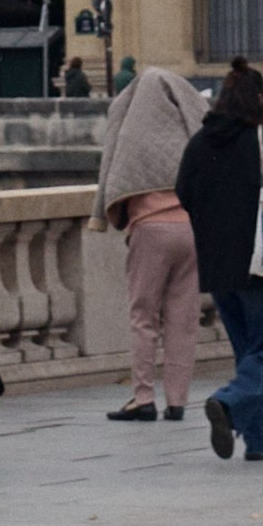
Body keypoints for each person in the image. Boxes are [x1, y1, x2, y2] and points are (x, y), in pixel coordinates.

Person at [175, 58, 263, 463]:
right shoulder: (262, 139)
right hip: (259, 261)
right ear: (259, 98)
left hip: (218, 265)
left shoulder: (200, 141)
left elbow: (183, 192)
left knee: (249, 352)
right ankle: (228, 402)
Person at [95, 59, 207, 423]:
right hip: (191, 230)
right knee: (183, 318)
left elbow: (116, 180)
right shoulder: (188, 131)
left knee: (144, 316)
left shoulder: (132, 134)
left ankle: (143, 396)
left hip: (150, 229)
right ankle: (178, 400)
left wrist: (111, 216)